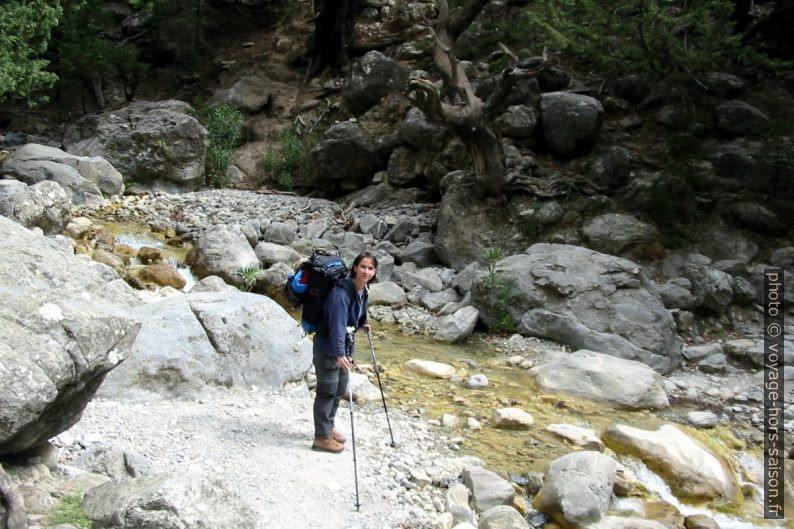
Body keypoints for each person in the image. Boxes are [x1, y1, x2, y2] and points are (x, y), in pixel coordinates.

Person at [311, 251, 378, 453]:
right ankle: (321, 437)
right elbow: (337, 327)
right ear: (355, 268)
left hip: (344, 348)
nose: (366, 271)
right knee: (327, 391)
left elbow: (356, 313)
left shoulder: (362, 289)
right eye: (363, 267)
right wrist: (340, 354)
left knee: (339, 390)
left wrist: (362, 323)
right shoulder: (340, 293)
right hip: (329, 349)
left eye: (371, 268)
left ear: (374, 272)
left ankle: (329, 427)